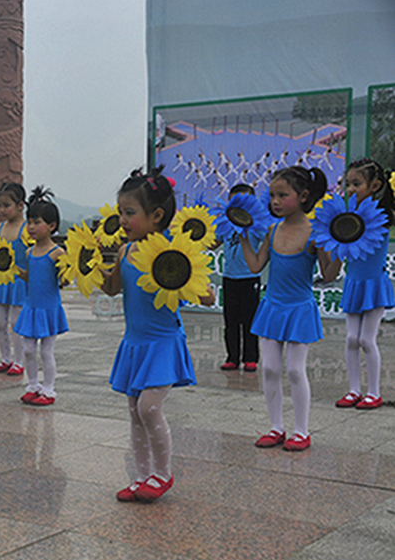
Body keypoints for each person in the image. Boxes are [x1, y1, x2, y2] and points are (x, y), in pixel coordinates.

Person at [101, 168, 214, 503]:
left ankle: (162, 474)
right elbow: (112, 288)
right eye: (120, 212)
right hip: (134, 343)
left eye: (130, 212)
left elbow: (207, 295)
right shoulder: (125, 251)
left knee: (149, 408)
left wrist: (191, 284)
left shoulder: (173, 252)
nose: (122, 220)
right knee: (135, 411)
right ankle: (140, 476)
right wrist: (90, 266)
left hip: (163, 343)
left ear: (157, 216)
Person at [242, 166, 340, 451]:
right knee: (270, 369)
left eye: (282, 195)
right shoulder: (272, 230)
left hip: (299, 309)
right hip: (272, 307)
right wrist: (243, 235)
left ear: (303, 196)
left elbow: (329, 274)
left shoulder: (315, 233)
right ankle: (276, 428)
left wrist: (340, 248)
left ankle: (301, 431)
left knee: (296, 371)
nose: (274, 201)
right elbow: (255, 266)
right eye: (272, 195)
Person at [334, 158, 395, 410]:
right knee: (351, 339)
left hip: (374, 285)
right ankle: (354, 390)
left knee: (367, 340)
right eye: (347, 184)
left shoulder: (383, 216)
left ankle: (374, 393)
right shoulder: (345, 216)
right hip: (354, 283)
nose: (350, 189)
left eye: (356, 184)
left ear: (375, 185)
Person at [13, 187, 68, 406]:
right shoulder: (29, 252)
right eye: (29, 222)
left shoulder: (57, 252)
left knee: (46, 351)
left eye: (37, 222)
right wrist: (13, 269)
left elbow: (63, 279)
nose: (32, 227)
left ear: (52, 226)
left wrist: (68, 275)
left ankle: (49, 389)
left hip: (48, 308)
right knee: (27, 350)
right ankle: (33, 384)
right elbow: (30, 277)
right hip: (31, 307)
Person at [218, 184, 262, 371]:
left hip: (250, 277)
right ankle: (232, 357)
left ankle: (250, 358)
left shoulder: (256, 224)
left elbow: (267, 239)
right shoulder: (225, 223)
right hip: (229, 277)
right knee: (231, 320)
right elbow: (214, 242)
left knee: (250, 319)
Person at [0, 182, 28, 376]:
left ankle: (19, 361)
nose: (2, 210)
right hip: (1, 279)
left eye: (6, 205)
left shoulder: (26, 228)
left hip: (18, 280)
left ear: (20, 205)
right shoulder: (0, 227)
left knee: (15, 323)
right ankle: (5, 358)